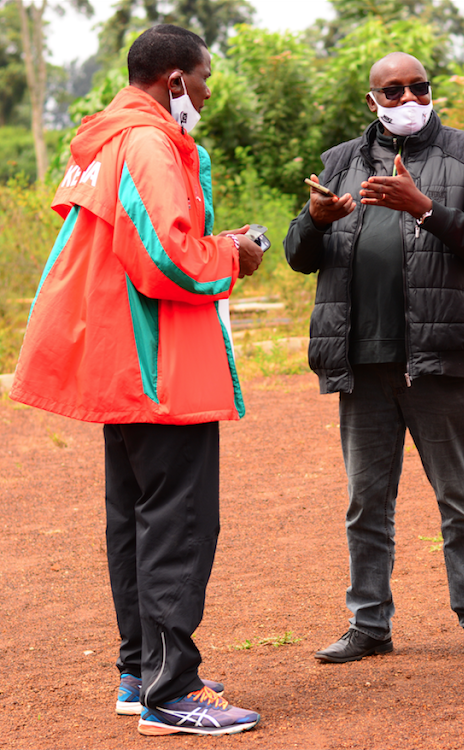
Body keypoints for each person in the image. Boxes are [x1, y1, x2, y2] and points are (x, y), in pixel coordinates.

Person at [10, 25, 265, 736]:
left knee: (135, 522)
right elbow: (167, 258)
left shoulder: (108, 138)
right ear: (174, 80)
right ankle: (171, 692)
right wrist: (234, 252)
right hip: (161, 372)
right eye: (204, 79)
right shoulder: (148, 142)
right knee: (177, 527)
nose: (210, 93)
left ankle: (138, 673)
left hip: (124, 368)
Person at [285, 52, 464, 667]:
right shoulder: (339, 161)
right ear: (371, 100)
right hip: (362, 359)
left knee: (459, 498)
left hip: (436, 354)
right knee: (366, 503)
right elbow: (299, 255)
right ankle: (368, 623)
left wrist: (424, 209)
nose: (408, 98)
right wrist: (313, 218)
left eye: (419, 87)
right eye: (393, 90)